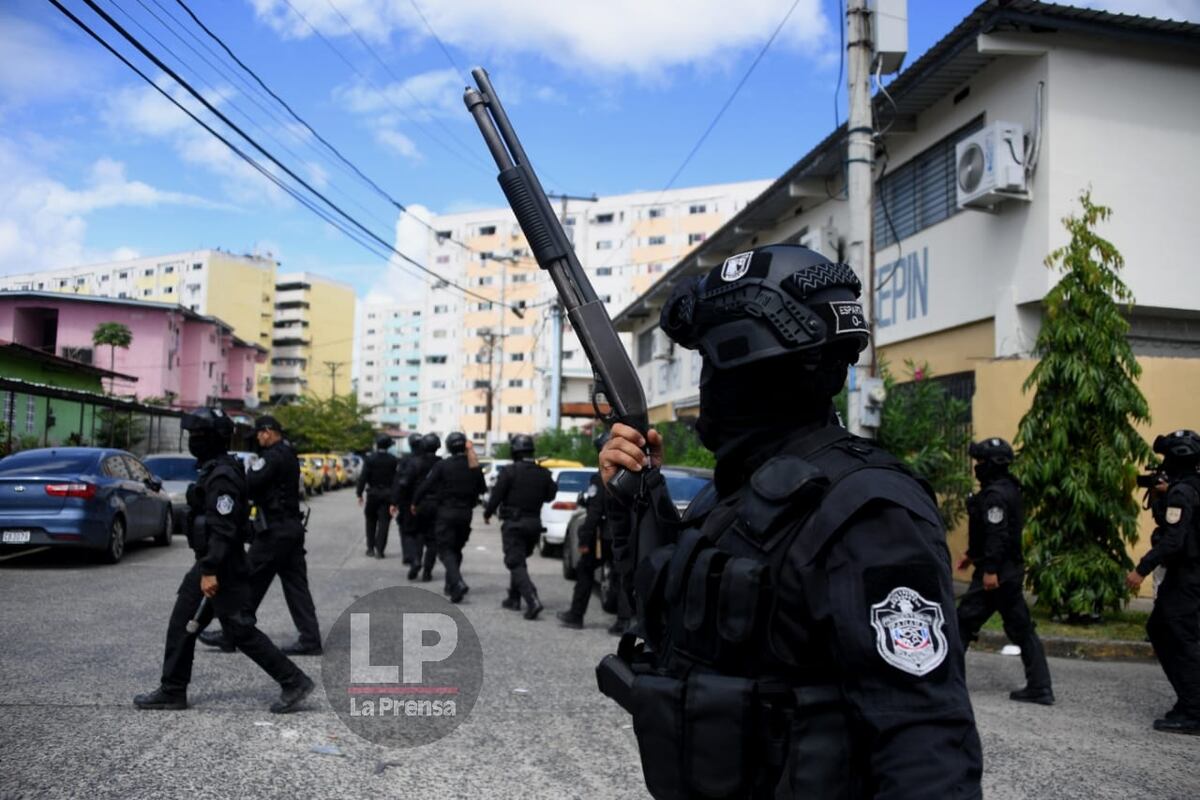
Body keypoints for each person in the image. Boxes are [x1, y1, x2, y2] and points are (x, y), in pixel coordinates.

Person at [598, 245, 981, 798]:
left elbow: (924, 741)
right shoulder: (736, 497)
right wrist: (634, 498)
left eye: (709, 360)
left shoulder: (868, 510)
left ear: (744, 360)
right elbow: (669, 630)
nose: (704, 384)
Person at [134, 407, 314, 713]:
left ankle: (293, 680)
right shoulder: (216, 469)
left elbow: (224, 528)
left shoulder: (223, 475)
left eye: (197, 436)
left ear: (211, 439)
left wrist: (210, 570)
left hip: (221, 565)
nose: (192, 441)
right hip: (213, 561)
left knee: (239, 629)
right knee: (185, 624)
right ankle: (173, 689)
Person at [199, 415, 322, 656]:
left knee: (246, 578)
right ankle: (310, 638)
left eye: (259, 433)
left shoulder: (273, 457)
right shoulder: (289, 453)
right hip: (291, 529)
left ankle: (232, 633)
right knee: (296, 586)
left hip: (274, 532)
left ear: (268, 432)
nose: (257, 438)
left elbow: (250, 483)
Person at [956, 437, 1054, 705]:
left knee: (961, 624)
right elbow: (997, 534)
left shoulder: (995, 495)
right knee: (1022, 629)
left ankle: (947, 684)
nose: (977, 467)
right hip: (1007, 571)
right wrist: (971, 555)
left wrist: (988, 569)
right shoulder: (1008, 488)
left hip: (996, 574)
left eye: (980, 462)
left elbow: (997, 535)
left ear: (991, 465)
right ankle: (1040, 686)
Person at [1127, 429, 1200, 735]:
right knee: (1161, 629)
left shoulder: (1182, 492)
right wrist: (1159, 497)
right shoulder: (1187, 487)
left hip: (1187, 576)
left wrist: (1141, 569)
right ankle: (1188, 702)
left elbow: (1172, 539)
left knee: (1182, 639)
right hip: (1186, 575)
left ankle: (1194, 712)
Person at [484, 433, 556, 620]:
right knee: (519, 560)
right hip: (534, 525)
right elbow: (550, 496)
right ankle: (513, 598)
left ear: (514, 452)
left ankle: (532, 600)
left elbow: (496, 496)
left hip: (514, 524)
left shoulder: (509, 471)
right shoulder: (543, 472)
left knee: (514, 562)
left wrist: (487, 513)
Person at [413, 432, 485, 604]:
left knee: (445, 550)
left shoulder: (443, 465)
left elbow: (426, 485)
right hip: (466, 513)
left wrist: (415, 502)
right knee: (456, 549)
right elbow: (482, 488)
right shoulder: (473, 466)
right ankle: (451, 585)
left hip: (446, 512)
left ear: (448, 446)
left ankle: (458, 582)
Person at [558, 434, 615, 630]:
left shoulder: (600, 479)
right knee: (623, 577)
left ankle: (576, 615)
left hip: (603, 536)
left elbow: (594, 512)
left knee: (584, 572)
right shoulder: (631, 475)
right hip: (626, 536)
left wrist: (583, 540)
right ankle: (624, 621)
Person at [391, 432, 440, 582]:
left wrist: (395, 501)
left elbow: (403, 483)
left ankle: (416, 560)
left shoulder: (413, 462)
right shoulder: (442, 463)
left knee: (415, 533)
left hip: (416, 504)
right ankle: (427, 572)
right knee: (432, 540)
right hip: (438, 505)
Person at [357, 434, 399, 558]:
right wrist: (395, 499)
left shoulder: (370, 459)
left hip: (373, 494)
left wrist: (359, 493)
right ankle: (380, 550)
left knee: (370, 521)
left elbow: (363, 477)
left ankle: (370, 548)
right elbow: (396, 480)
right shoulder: (393, 460)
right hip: (387, 495)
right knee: (384, 523)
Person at [397, 433, 425, 567]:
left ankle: (410, 556)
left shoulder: (406, 461)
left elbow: (401, 482)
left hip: (408, 500)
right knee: (420, 531)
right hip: (425, 500)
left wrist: (396, 500)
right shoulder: (431, 460)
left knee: (406, 530)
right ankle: (417, 556)